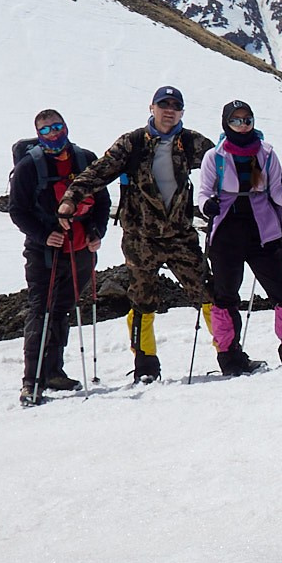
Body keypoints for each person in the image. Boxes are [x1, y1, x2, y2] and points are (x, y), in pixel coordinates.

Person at [61, 86, 216, 383]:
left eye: (175, 106)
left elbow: (223, 167)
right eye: (163, 104)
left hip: (181, 236)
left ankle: (228, 353)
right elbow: (99, 172)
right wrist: (71, 198)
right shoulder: (132, 144)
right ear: (151, 108)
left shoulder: (193, 143)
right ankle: (145, 366)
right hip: (140, 238)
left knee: (208, 293)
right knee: (143, 300)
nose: (169, 110)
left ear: (182, 112)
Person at [10, 109, 112, 405]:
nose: (53, 133)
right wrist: (44, 235)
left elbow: (102, 202)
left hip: (80, 248)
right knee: (41, 310)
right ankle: (32, 381)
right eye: (46, 130)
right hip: (44, 252)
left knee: (62, 309)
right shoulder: (29, 167)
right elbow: (17, 210)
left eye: (57, 126)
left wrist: (97, 231)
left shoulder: (85, 159)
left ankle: (53, 372)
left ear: (66, 127)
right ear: (38, 134)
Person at [195, 100, 282, 375]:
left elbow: (277, 191)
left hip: (260, 233)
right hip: (228, 234)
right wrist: (206, 205)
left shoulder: (266, 153)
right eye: (236, 120)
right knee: (226, 297)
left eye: (247, 120)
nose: (242, 126)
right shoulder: (214, 157)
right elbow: (204, 192)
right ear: (226, 123)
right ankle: (231, 358)